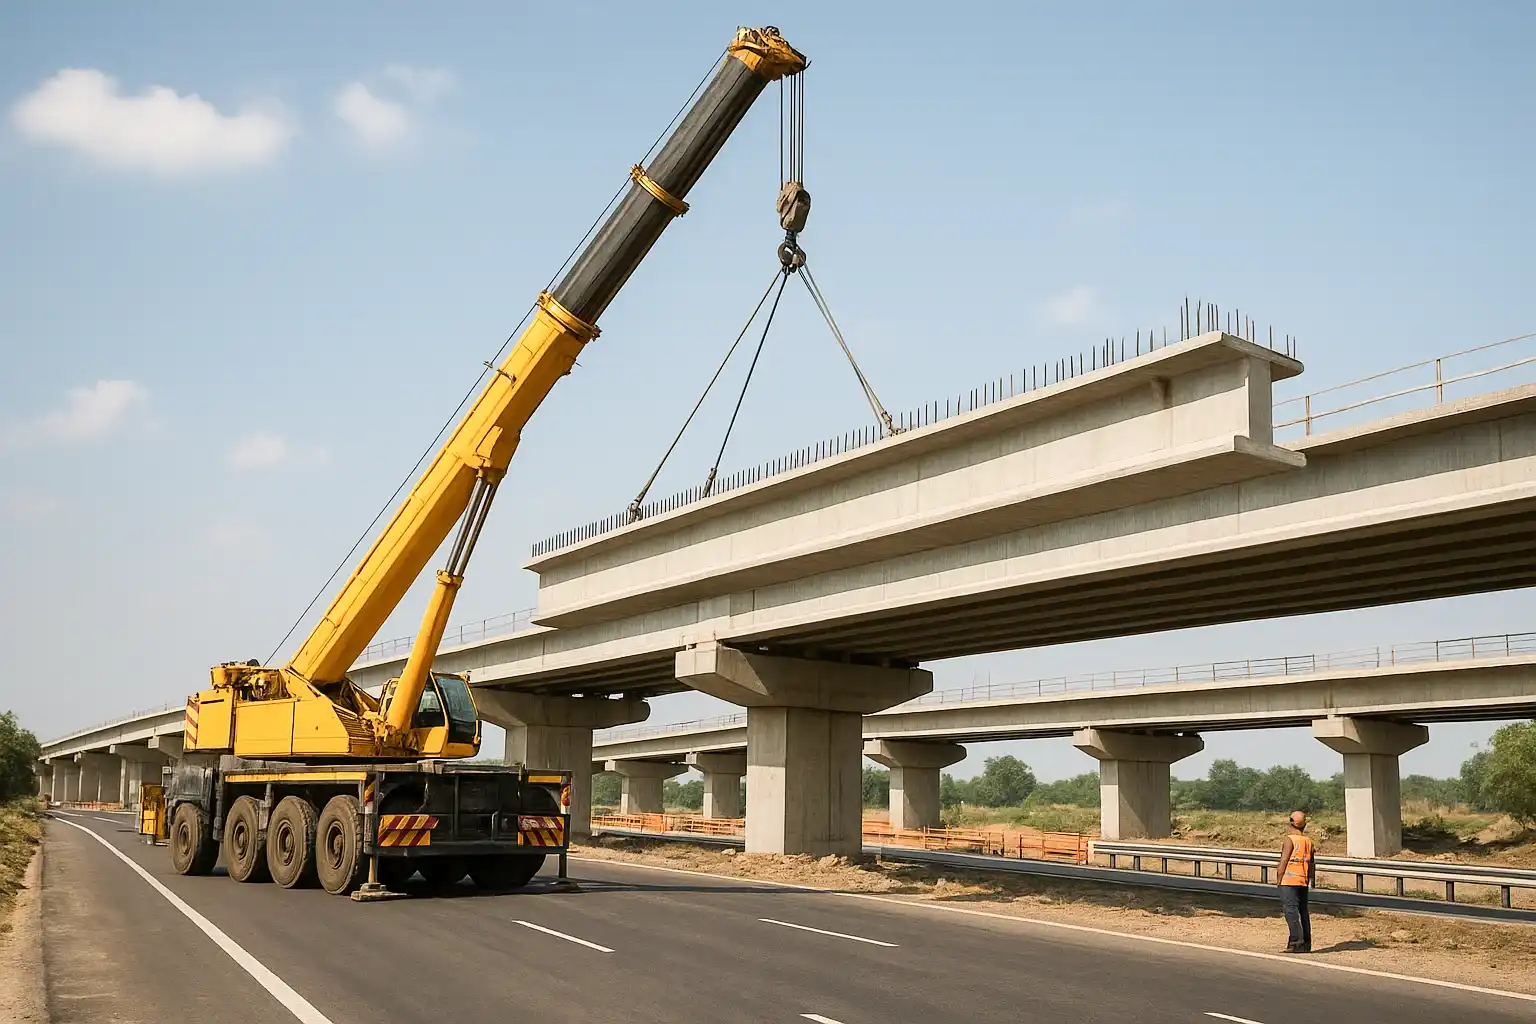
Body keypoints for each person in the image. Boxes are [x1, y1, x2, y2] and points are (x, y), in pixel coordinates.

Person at [1277, 809, 1316, 952]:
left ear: (1292, 823)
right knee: (1303, 911)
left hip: (1289, 880)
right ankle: (1306, 943)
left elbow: (1284, 861)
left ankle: (1296, 942)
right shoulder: (1308, 841)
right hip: (1303, 880)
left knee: (1291, 911)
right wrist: (1310, 880)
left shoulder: (1290, 839)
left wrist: (1279, 879)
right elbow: (1312, 863)